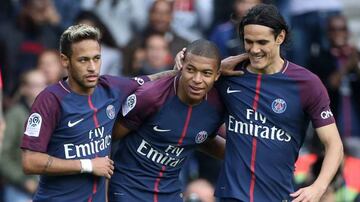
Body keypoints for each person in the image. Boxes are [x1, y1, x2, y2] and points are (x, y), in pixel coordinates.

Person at [175, 4, 343, 202]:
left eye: (262, 42)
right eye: (248, 42)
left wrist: (318, 187)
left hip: (278, 196)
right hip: (231, 196)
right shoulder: (230, 76)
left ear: (280, 37)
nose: (254, 50)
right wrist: (181, 66)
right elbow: (195, 124)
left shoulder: (307, 84)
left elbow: (334, 144)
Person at [20, 24, 172, 202]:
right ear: (64, 60)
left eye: (96, 58)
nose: (92, 67)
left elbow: (155, 80)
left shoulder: (111, 87)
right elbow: (30, 162)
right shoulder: (50, 100)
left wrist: (182, 68)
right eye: (83, 60)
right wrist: (88, 165)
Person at [108, 39, 226, 202]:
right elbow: (108, 138)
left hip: (169, 193)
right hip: (128, 189)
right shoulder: (150, 96)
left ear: (217, 75)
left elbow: (203, 140)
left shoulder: (216, 107)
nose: (197, 80)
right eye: (191, 70)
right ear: (181, 66)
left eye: (206, 73)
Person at [0, 69, 47, 202]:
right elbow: (3, 156)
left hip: (46, 187)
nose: (41, 89)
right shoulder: (15, 115)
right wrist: (23, 181)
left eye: (43, 85)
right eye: (35, 85)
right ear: (24, 88)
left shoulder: (51, 114)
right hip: (20, 188)